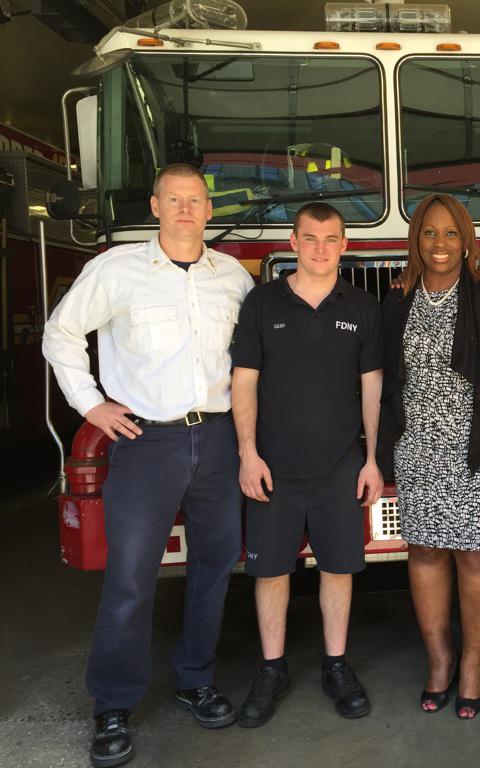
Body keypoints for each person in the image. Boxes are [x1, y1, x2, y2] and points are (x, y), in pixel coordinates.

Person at [42, 163, 254, 767]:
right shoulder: (116, 270)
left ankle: (195, 680)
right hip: (145, 443)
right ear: (156, 207)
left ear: (209, 210)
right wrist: (92, 405)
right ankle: (112, 705)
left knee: (215, 569)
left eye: (196, 200)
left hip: (218, 439)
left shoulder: (233, 277)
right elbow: (60, 334)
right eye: (174, 199)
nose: (186, 209)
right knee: (131, 579)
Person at [230, 203, 384, 726]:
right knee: (270, 571)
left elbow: (372, 386)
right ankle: (271, 669)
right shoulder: (261, 302)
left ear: (345, 245)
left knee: (338, 569)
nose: (321, 248)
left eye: (331, 238)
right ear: (293, 242)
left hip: (341, 465)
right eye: (310, 238)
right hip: (273, 466)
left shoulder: (363, 306)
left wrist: (372, 459)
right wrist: (248, 454)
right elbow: (244, 381)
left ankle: (335, 665)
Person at [377, 193, 480, 720]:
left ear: (466, 240)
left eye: (450, 233)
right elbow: (385, 378)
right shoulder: (398, 298)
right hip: (416, 448)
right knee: (424, 552)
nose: (440, 243)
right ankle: (440, 659)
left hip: (478, 449)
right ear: (415, 241)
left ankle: (472, 663)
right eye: (429, 233)